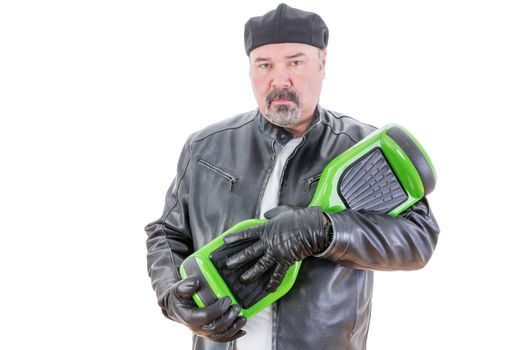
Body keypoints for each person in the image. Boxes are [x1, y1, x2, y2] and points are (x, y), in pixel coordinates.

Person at [145, 3, 440, 350]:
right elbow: (167, 232)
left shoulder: (365, 149)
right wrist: (170, 293)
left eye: (295, 62)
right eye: (264, 65)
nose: (279, 80)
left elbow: (418, 239)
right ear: (250, 69)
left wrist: (325, 228)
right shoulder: (205, 148)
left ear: (322, 63)